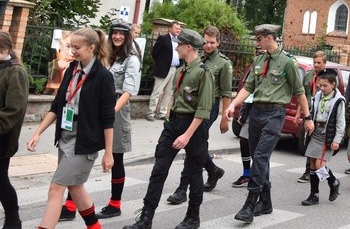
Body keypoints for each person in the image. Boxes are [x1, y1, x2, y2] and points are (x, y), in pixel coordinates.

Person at [123, 28, 213, 229]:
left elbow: (203, 109)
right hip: (174, 124)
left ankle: (192, 218)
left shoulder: (203, 73)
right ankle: (146, 218)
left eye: (179, 44)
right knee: (158, 171)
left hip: (194, 128)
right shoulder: (182, 70)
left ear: (188, 47)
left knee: (194, 173)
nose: (177, 48)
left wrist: (187, 135)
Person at [27, 27, 115, 229]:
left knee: (56, 187)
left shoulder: (103, 77)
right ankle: (95, 227)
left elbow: (108, 118)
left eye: (77, 47)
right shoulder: (72, 69)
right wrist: (38, 132)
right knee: (75, 187)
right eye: (70, 46)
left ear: (91, 48)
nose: (72, 51)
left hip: (85, 140)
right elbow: (57, 106)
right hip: (66, 135)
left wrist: (109, 153)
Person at [225, 24, 311, 223]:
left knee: (262, 155)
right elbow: (248, 88)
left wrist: (307, 118)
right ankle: (266, 202)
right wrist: (233, 105)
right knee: (258, 158)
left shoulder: (288, 62)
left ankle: (250, 203)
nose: (257, 43)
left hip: (275, 113)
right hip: (256, 112)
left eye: (259, 39)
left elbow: (299, 92)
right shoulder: (259, 60)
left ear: (269, 38)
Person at [167, 26, 232, 204]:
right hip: (191, 107)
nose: (208, 45)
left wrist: (224, 118)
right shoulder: (196, 57)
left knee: (192, 144)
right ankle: (213, 170)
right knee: (196, 145)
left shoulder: (224, 63)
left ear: (218, 42)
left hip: (208, 109)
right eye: (206, 42)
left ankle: (182, 189)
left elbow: (226, 92)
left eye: (212, 42)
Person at [95, 19, 141, 219]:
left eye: (122, 33)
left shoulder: (131, 59)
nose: (117, 36)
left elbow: (129, 90)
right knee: (81, 152)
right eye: (114, 32)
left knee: (116, 157)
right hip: (97, 106)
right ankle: (71, 205)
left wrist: (111, 111)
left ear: (128, 36)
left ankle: (115, 204)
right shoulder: (105, 56)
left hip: (117, 109)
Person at [301, 71, 345, 205]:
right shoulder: (318, 96)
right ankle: (314, 195)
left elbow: (340, 122)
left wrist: (337, 140)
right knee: (313, 165)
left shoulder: (338, 100)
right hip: (315, 133)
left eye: (325, 85)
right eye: (320, 85)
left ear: (333, 84)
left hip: (327, 135)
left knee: (320, 165)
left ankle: (333, 182)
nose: (322, 88)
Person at [0, 31, 29, 229]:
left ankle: (13, 220)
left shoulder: (15, 71)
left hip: (3, 136)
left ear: (4, 49)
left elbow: (14, 110)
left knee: (0, 180)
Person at [298, 51, 330, 183]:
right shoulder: (309, 75)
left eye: (319, 63)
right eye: (314, 62)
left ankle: (318, 174)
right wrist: (297, 113)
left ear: (324, 63)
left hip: (322, 116)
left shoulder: (329, 77)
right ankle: (315, 173)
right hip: (308, 113)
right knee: (306, 142)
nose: (316, 65)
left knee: (315, 148)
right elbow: (303, 95)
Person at [146, 21, 182, 122]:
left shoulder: (179, 41)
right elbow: (154, 53)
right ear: (170, 29)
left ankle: (162, 112)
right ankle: (150, 112)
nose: (178, 30)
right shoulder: (163, 39)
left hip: (174, 69)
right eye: (176, 28)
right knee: (157, 92)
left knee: (168, 93)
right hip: (163, 69)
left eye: (179, 29)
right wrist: (161, 63)